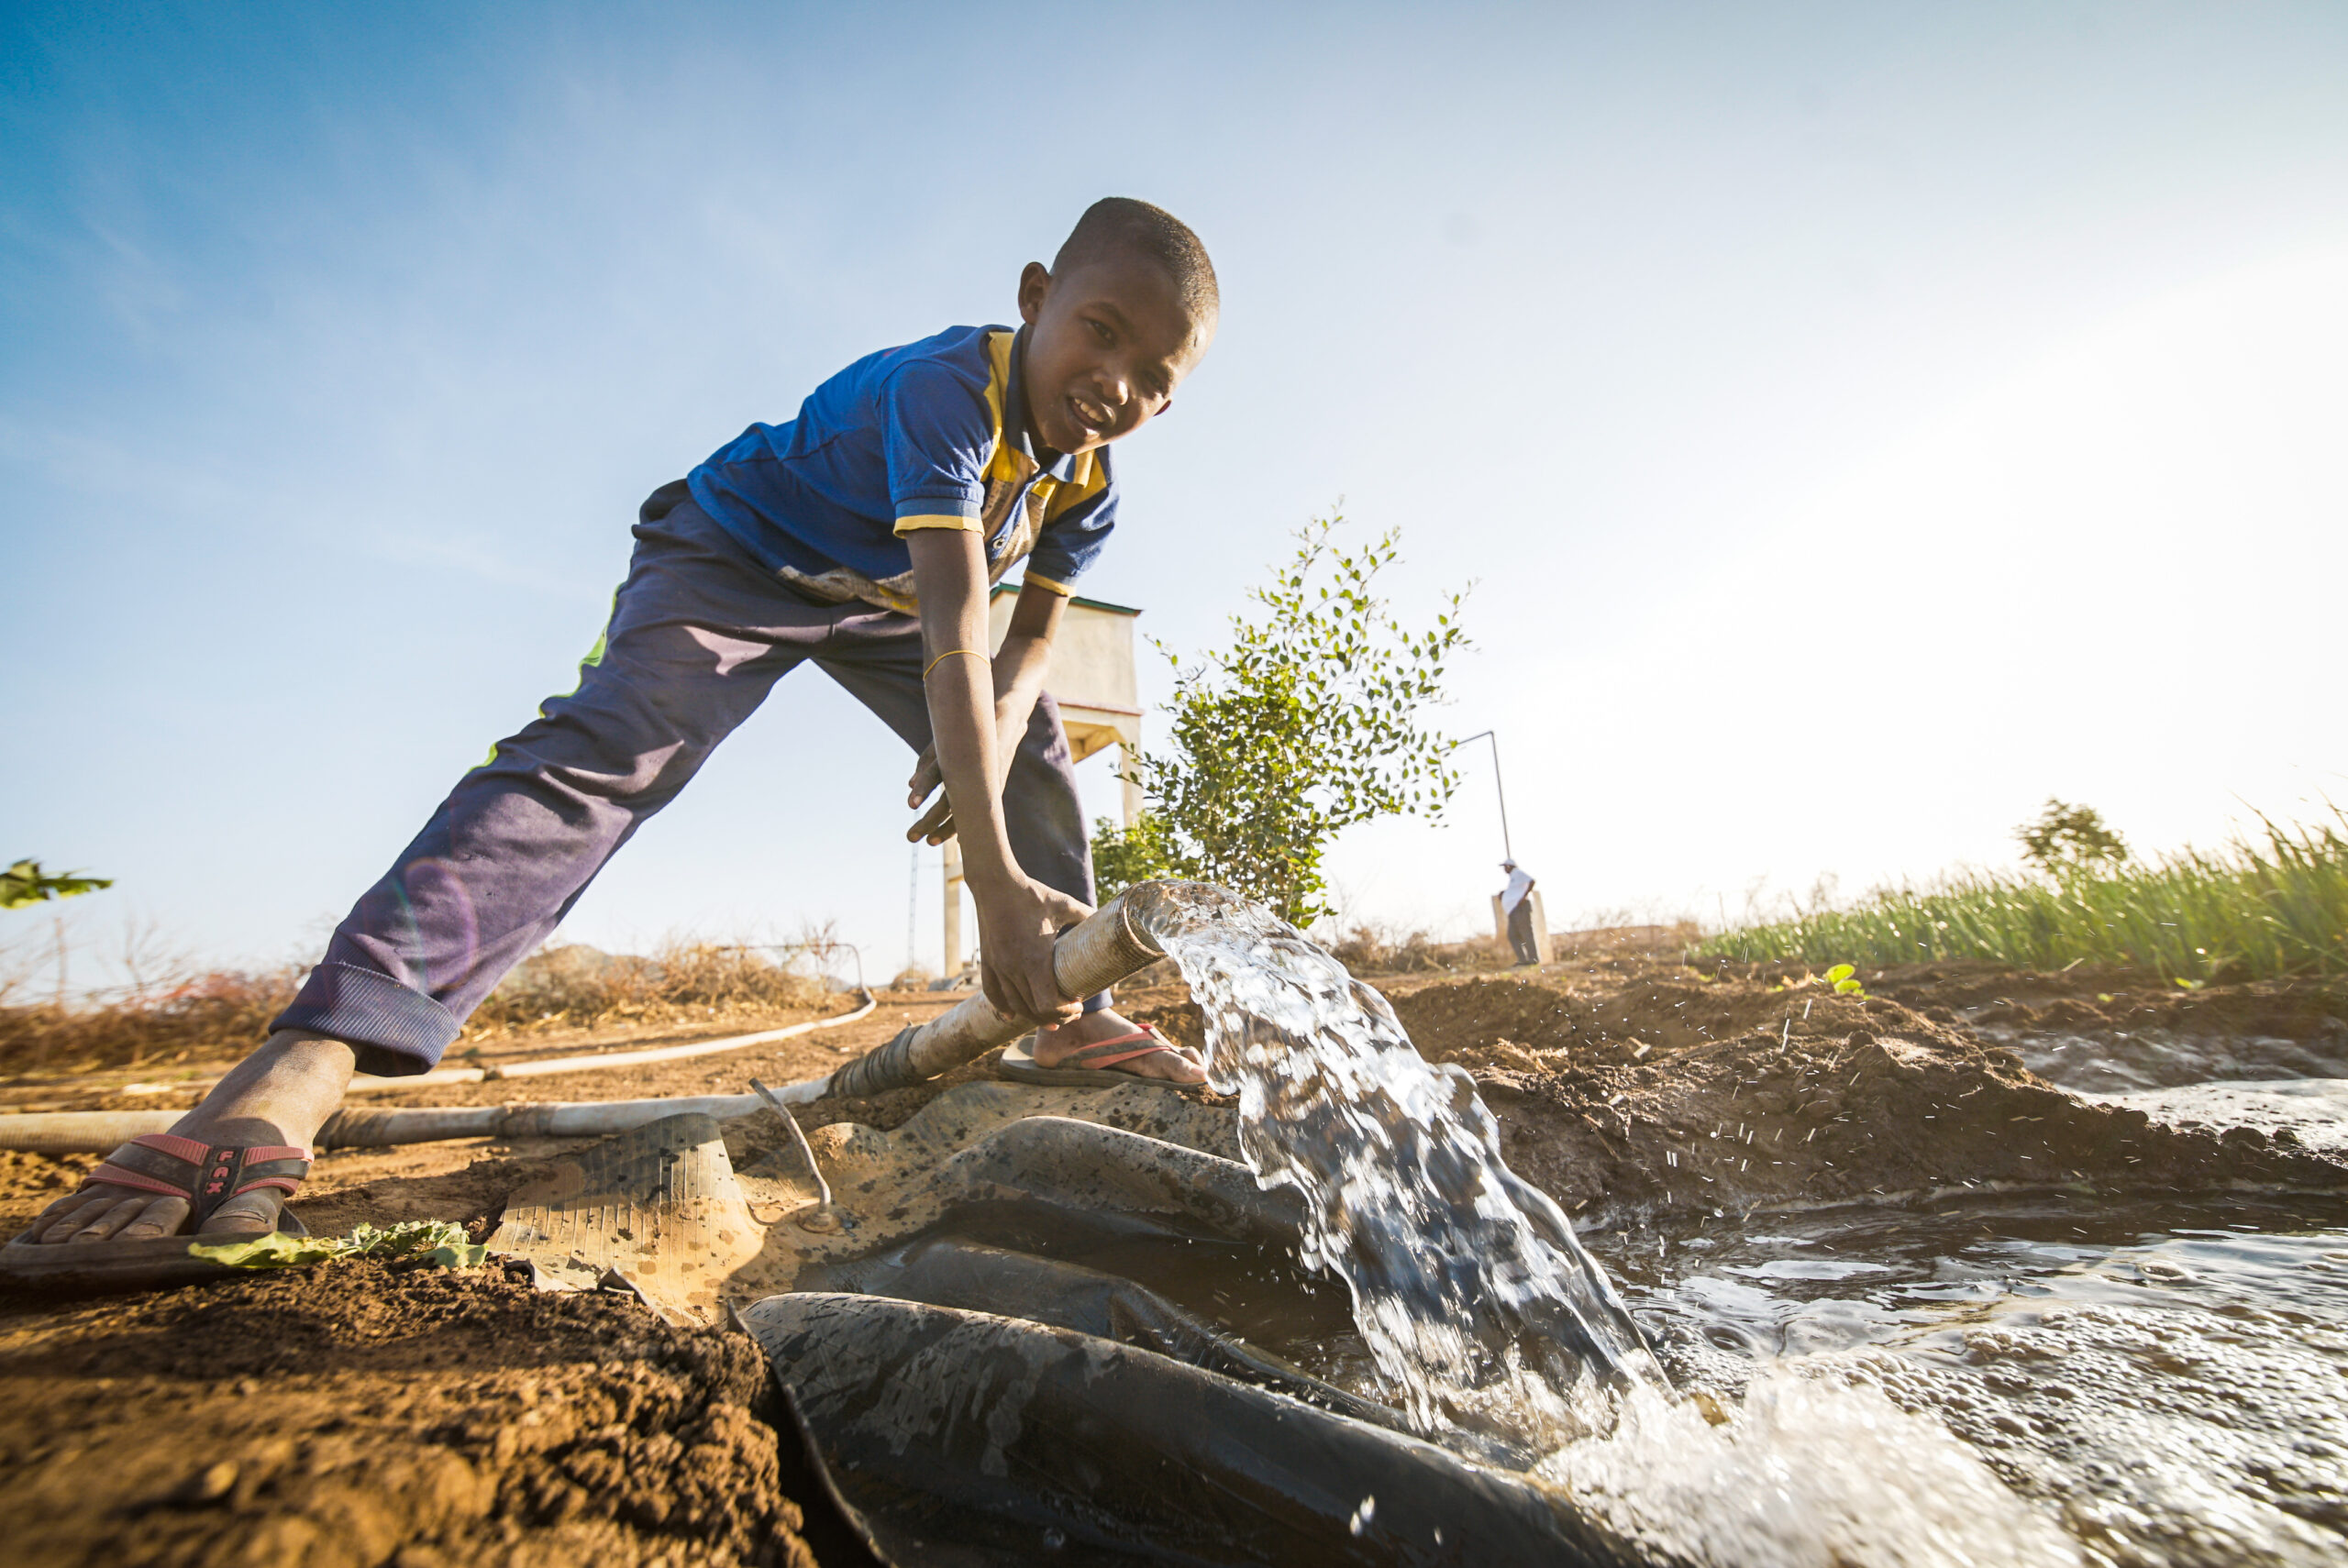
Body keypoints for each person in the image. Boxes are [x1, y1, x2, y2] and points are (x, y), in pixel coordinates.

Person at [21, 199, 1218, 1253]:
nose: (1117, 381)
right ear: (1035, 298)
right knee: (610, 755)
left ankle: (1074, 1017)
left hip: (878, 602)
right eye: (1100, 328)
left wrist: (1004, 747)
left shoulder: (1087, 482)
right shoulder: (947, 393)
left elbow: (1021, 650)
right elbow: (957, 629)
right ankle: (305, 1060)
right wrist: (994, 885)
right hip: (739, 552)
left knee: (1042, 751)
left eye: (1155, 376)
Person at [1500, 858, 1540, 966]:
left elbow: (1531, 881)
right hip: (1513, 910)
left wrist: (1524, 896)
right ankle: (1523, 959)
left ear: (1509, 866)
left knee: (1526, 933)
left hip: (1521, 908)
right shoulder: (1513, 878)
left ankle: (1533, 958)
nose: (1504, 869)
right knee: (1512, 935)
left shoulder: (1517, 873)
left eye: (1505, 867)